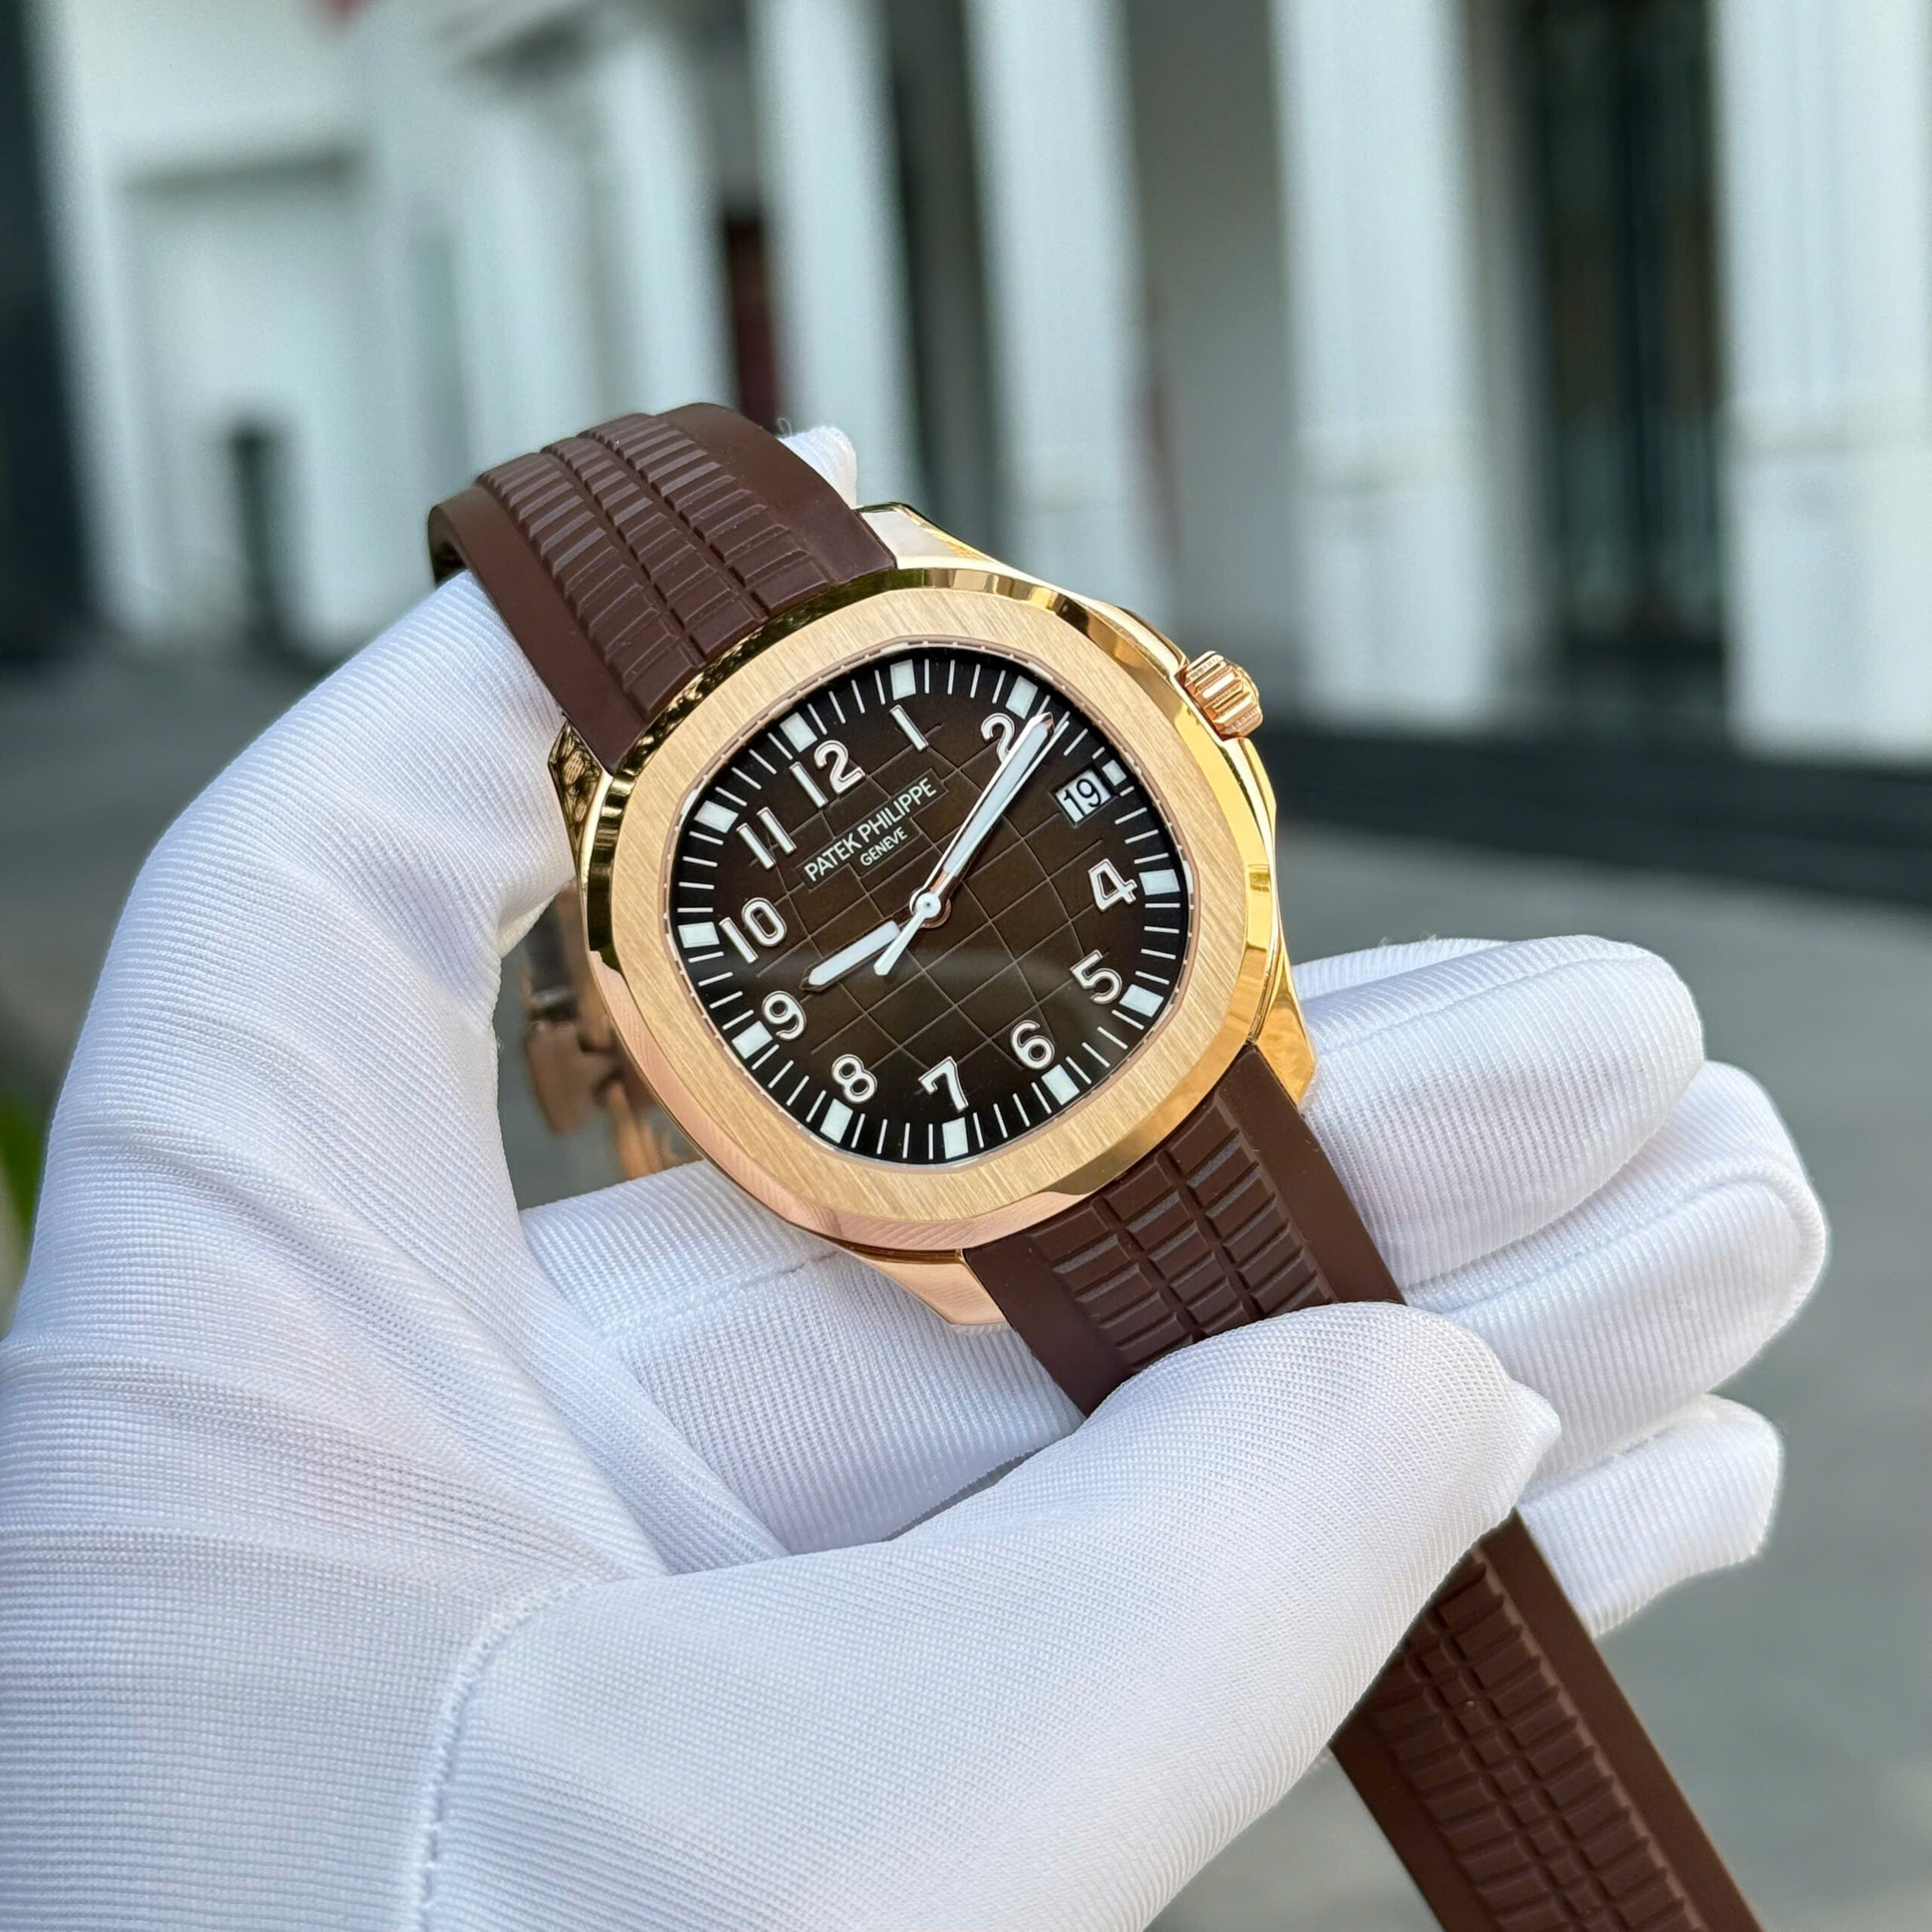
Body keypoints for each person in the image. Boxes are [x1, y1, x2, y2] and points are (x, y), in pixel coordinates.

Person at [0, 432, 1825, 1930]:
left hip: (1115, 1044)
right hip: (946, 1137)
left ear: (1188, 718)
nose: (924, 913)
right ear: (626, 1048)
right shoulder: (709, 917)